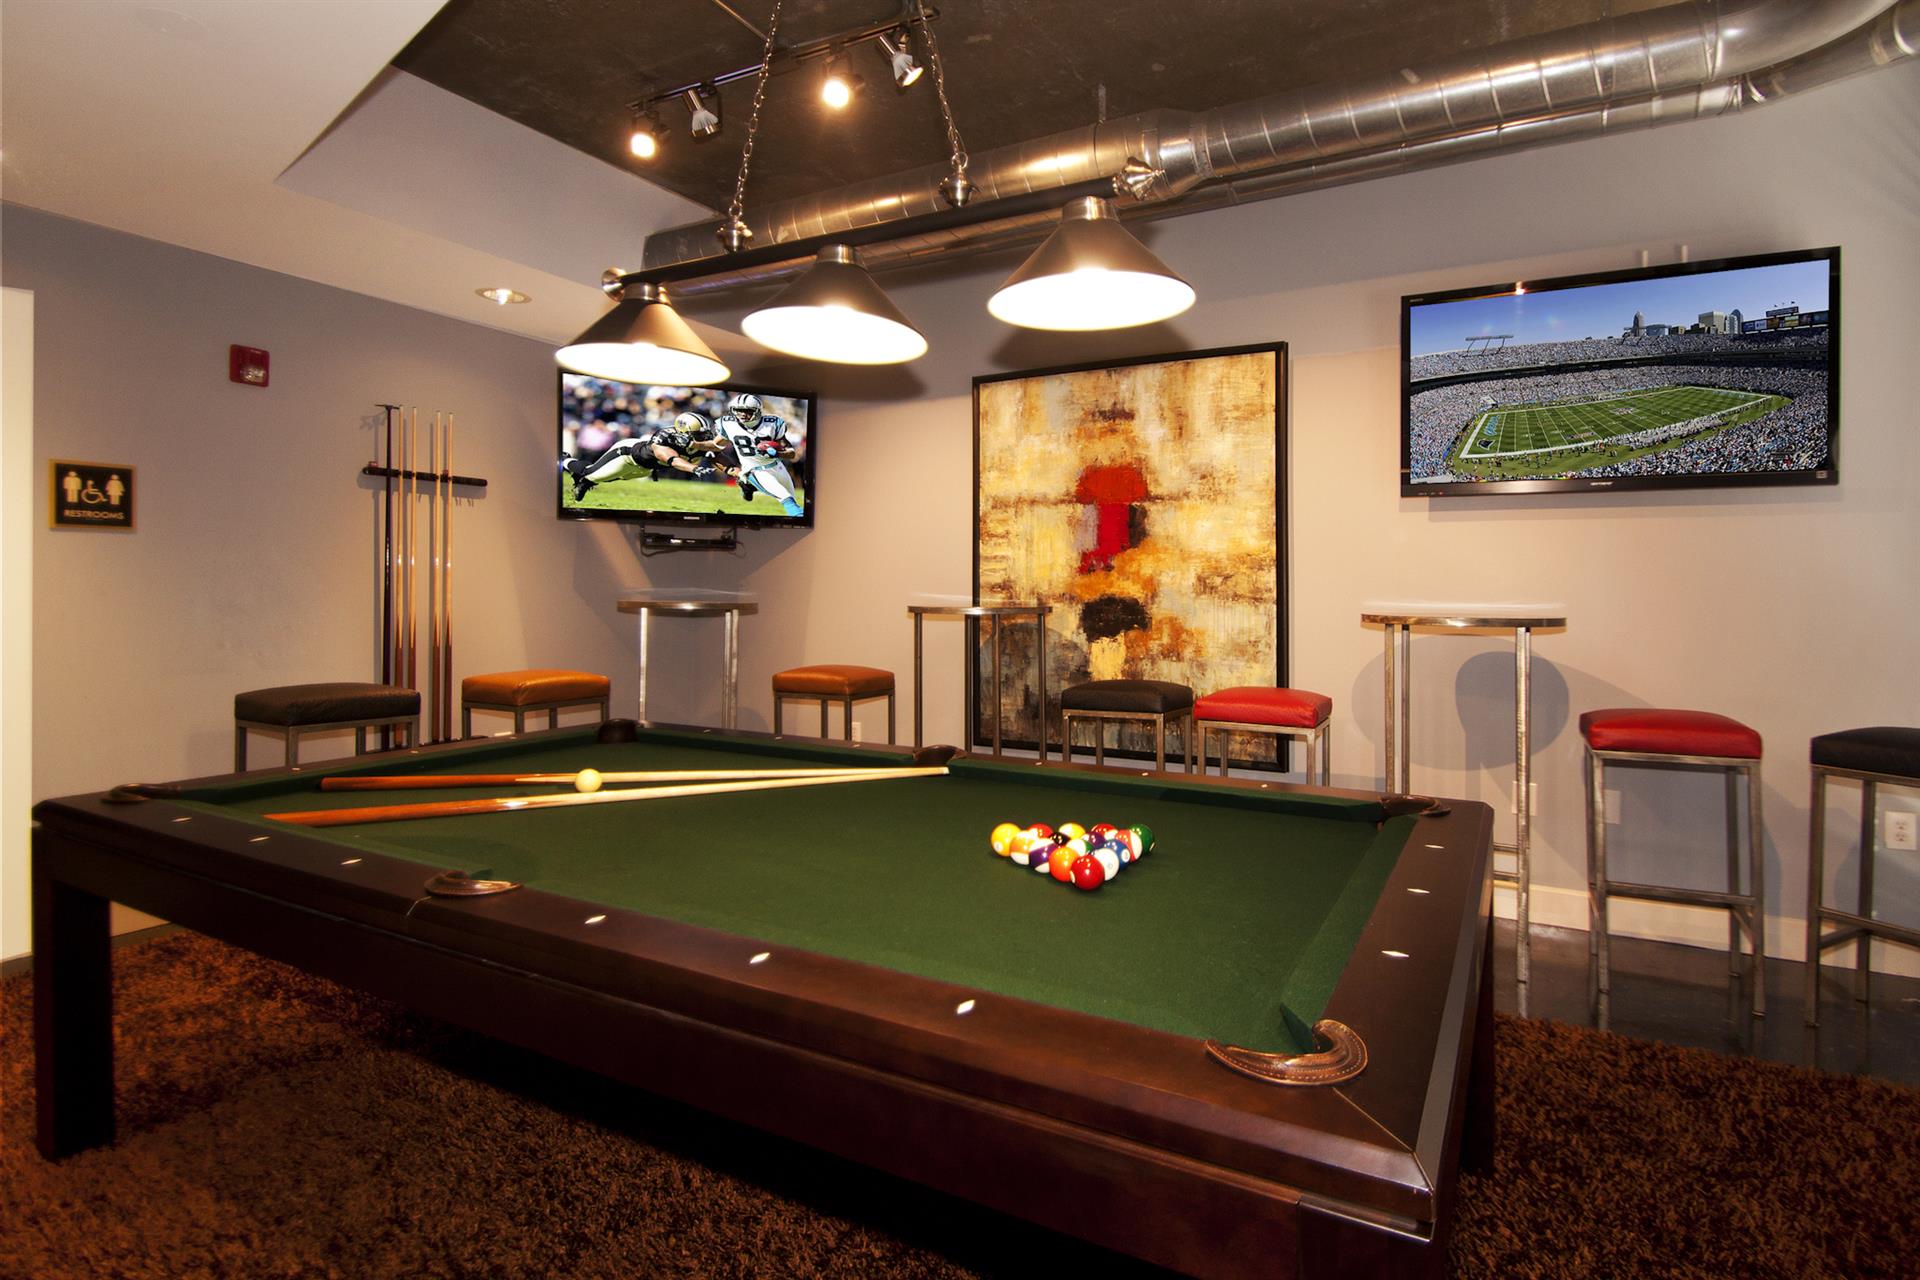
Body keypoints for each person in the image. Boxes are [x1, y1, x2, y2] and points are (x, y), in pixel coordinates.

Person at [559, 411, 723, 502]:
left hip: (645, 469)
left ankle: (585, 483)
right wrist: (693, 468)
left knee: (609, 477)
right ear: (683, 432)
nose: (703, 438)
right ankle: (565, 460)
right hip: (627, 455)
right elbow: (670, 458)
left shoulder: (697, 443)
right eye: (698, 434)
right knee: (591, 472)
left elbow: (717, 447)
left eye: (704, 434)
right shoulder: (665, 436)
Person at [713, 393, 804, 517]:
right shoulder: (729, 424)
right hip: (754, 470)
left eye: (748, 411)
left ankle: (748, 486)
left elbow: (791, 453)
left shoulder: (772, 424)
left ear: (757, 411)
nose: (743, 415)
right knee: (788, 500)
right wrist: (694, 443)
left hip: (777, 466)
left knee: (792, 497)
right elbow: (715, 445)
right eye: (739, 411)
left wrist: (777, 453)